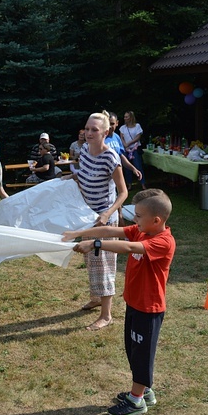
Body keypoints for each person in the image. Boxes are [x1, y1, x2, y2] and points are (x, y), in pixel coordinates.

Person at [63, 188, 175, 415]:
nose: (135, 220)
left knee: (142, 353)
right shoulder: (142, 230)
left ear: (156, 220)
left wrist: (96, 245)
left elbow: (129, 248)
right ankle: (145, 392)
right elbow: (109, 230)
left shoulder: (163, 241)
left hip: (149, 309)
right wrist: (80, 232)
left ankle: (136, 401)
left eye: (139, 216)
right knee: (133, 350)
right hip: (134, 304)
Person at [63, 110, 128, 331]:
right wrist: (71, 177)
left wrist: (108, 214)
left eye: (94, 130)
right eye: (87, 129)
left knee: (104, 264)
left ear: (106, 132)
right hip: (87, 217)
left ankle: (106, 315)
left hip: (104, 222)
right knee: (91, 260)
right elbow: (85, 173)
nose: (89, 133)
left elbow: (123, 193)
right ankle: (96, 297)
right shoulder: (84, 149)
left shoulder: (111, 157)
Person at [120, 111, 146, 189]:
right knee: (127, 166)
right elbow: (122, 138)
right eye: (124, 117)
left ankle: (143, 184)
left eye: (126, 117)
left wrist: (129, 143)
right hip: (126, 149)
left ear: (131, 117)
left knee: (138, 166)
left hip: (135, 148)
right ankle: (129, 184)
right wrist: (125, 145)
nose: (125, 118)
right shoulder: (122, 128)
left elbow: (138, 137)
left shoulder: (137, 126)